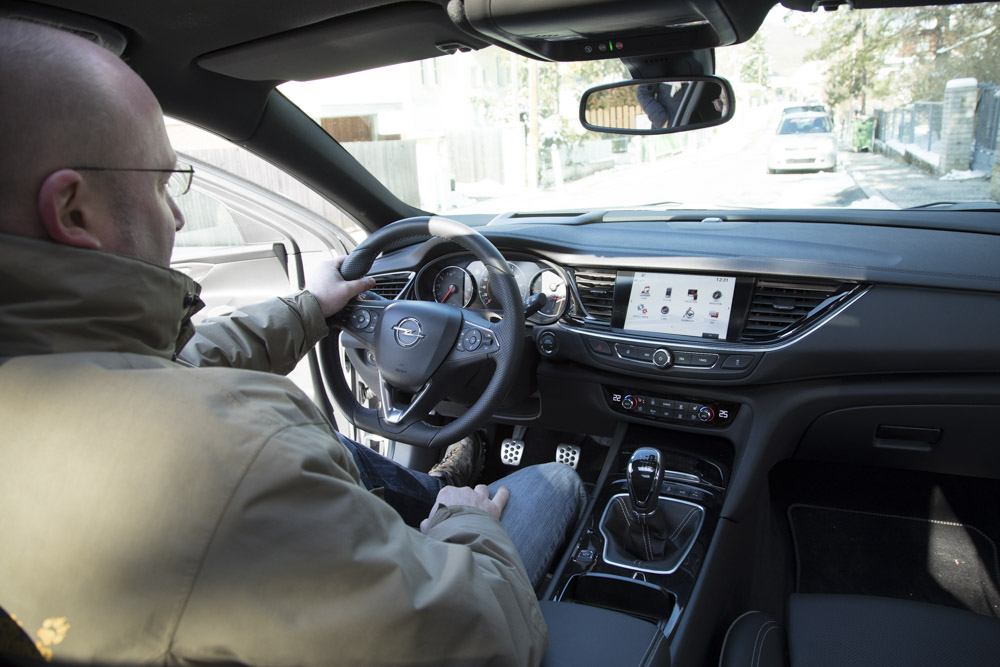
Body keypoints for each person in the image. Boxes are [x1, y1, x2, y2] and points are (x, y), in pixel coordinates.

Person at [0, 18, 586, 665]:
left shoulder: (52, 372)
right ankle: (453, 492)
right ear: (74, 211)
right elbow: (485, 638)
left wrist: (312, 308)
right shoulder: (227, 458)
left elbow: (178, 362)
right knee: (554, 482)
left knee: (348, 455)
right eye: (163, 183)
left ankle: (442, 484)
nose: (178, 215)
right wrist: (461, 521)